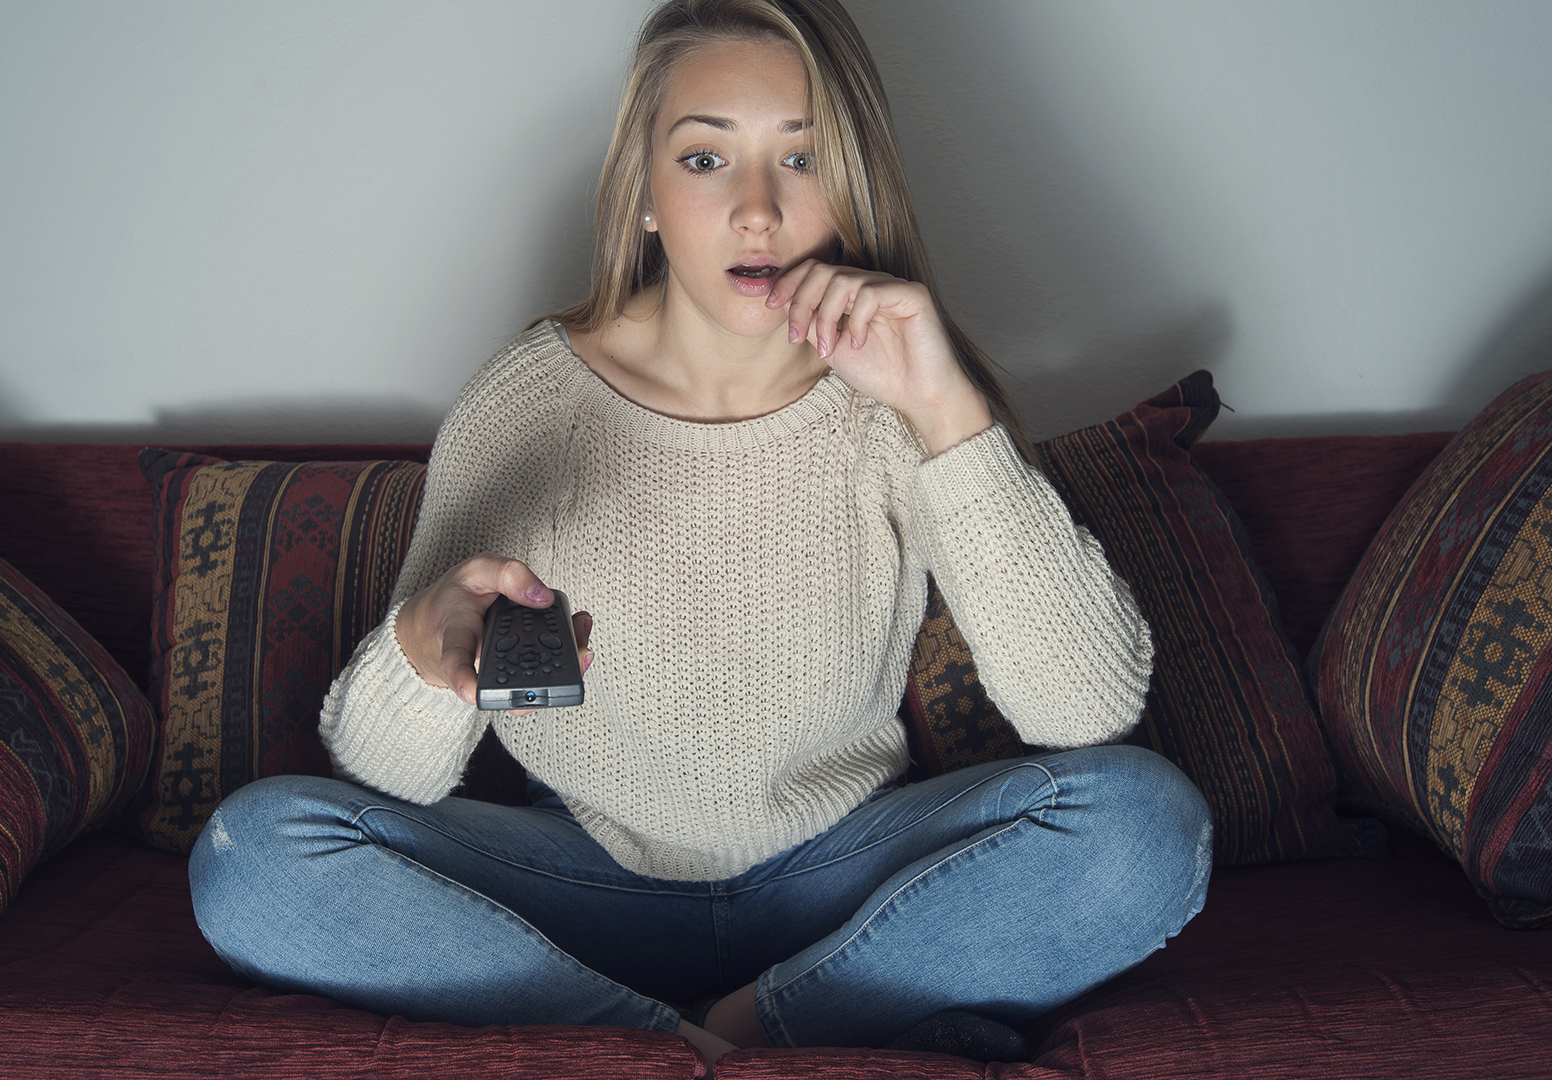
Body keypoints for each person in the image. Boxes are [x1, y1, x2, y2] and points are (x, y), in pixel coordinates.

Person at [189, 0, 1212, 1064]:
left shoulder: (893, 397)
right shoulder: (530, 401)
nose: (758, 211)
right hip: (585, 880)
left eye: (802, 158)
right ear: (645, 196)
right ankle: (701, 1039)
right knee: (252, 859)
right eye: (706, 158)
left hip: (846, 875)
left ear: (855, 184)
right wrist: (422, 654)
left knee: (1149, 830)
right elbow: (380, 776)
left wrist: (948, 409)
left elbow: (1085, 707)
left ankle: (738, 1033)